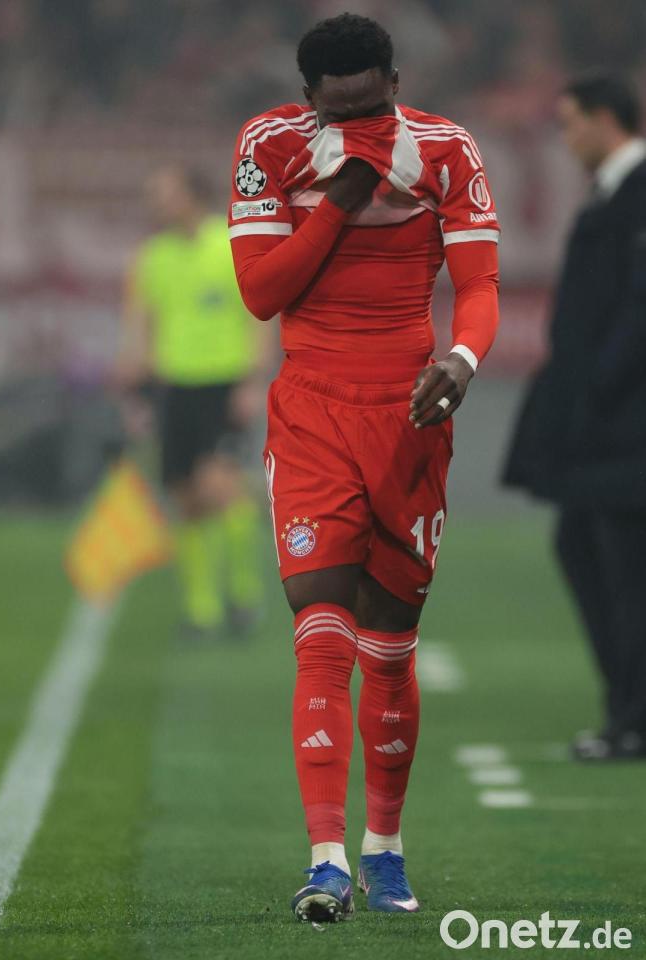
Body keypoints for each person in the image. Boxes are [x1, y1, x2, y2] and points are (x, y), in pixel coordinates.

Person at [228, 14, 500, 921]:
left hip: (410, 415)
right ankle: (327, 862)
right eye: (339, 109)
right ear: (308, 97)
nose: (361, 121)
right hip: (312, 411)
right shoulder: (270, 145)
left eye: (373, 104)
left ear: (396, 80)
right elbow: (262, 293)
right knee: (321, 630)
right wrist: (341, 196)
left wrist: (462, 358)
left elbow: (480, 283)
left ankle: (385, 847)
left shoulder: (447, 149)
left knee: (389, 643)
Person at [503, 74, 646, 762]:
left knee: (625, 570)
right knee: (589, 550)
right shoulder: (614, 193)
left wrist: (596, 388)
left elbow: (636, 313)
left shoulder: (638, 192)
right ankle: (626, 711)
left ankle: (633, 719)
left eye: (571, 123)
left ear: (605, 118)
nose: (565, 139)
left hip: (626, 426)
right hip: (608, 423)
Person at [116, 165, 270, 640]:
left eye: (165, 193)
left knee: (218, 488)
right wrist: (134, 387)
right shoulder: (152, 257)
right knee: (185, 497)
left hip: (221, 383)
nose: (156, 203)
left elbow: (259, 313)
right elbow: (141, 325)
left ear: (191, 195)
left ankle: (243, 593)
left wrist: (252, 381)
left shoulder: (229, 246)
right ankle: (202, 610)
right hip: (172, 388)